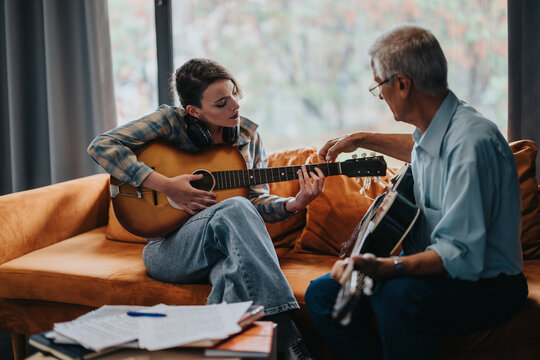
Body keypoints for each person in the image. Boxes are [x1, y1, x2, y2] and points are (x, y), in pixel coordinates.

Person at [304, 24, 528, 360]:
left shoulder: (472, 144)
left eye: (379, 84)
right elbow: (419, 148)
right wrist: (362, 138)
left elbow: (459, 255)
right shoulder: (434, 128)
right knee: (322, 294)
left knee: (396, 296)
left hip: (486, 283)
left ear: (403, 84)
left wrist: (387, 266)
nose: (379, 95)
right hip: (445, 273)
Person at [88, 58, 324, 360]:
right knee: (234, 210)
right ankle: (287, 332)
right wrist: (166, 185)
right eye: (221, 103)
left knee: (232, 270)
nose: (234, 107)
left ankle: (231, 351)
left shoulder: (247, 137)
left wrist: (295, 203)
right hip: (167, 248)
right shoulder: (169, 122)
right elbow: (101, 145)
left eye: (234, 95)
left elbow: (252, 205)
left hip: (223, 249)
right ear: (194, 111)